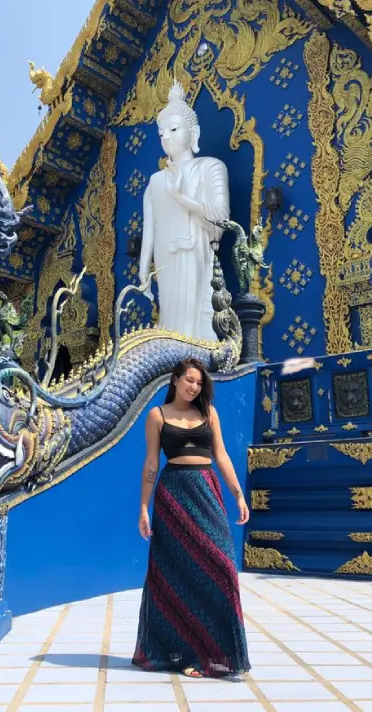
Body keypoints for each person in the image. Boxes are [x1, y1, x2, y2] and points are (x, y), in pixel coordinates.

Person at [132, 358, 251, 678]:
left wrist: (238, 493)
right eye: (189, 380)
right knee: (177, 575)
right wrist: (144, 507)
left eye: (198, 382)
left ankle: (218, 650)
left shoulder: (209, 413)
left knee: (222, 567)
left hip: (206, 490)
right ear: (175, 380)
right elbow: (151, 463)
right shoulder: (157, 415)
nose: (193, 386)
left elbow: (221, 455)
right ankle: (189, 655)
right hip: (173, 494)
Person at [139, 81, 230, 341]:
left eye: (174, 129)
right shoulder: (155, 181)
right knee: (170, 320)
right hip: (165, 258)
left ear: (193, 132)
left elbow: (219, 223)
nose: (166, 137)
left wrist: (181, 197)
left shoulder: (211, 167)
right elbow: (151, 231)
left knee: (197, 322)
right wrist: (144, 269)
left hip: (196, 252)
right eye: (161, 133)